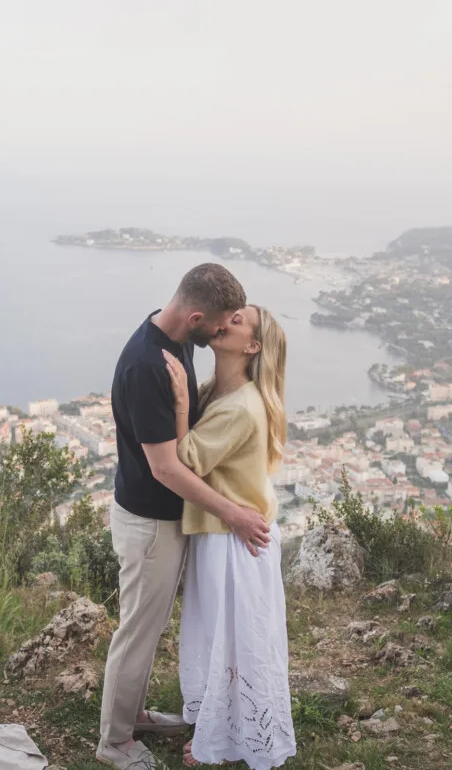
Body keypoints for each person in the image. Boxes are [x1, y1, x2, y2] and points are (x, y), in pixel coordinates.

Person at [97, 264, 274, 770]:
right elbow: (168, 468)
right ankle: (114, 742)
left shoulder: (179, 341)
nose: (221, 333)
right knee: (136, 630)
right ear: (195, 316)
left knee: (148, 629)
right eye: (217, 326)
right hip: (150, 523)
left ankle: (135, 716)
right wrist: (234, 515)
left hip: (163, 519)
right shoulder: (147, 366)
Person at [164, 304, 296, 769]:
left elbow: (184, 458)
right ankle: (221, 731)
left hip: (235, 541)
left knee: (234, 643)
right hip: (227, 535)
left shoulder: (239, 405)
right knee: (225, 639)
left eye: (239, 321)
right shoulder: (222, 393)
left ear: (252, 346)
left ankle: (222, 741)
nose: (227, 321)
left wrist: (179, 405)